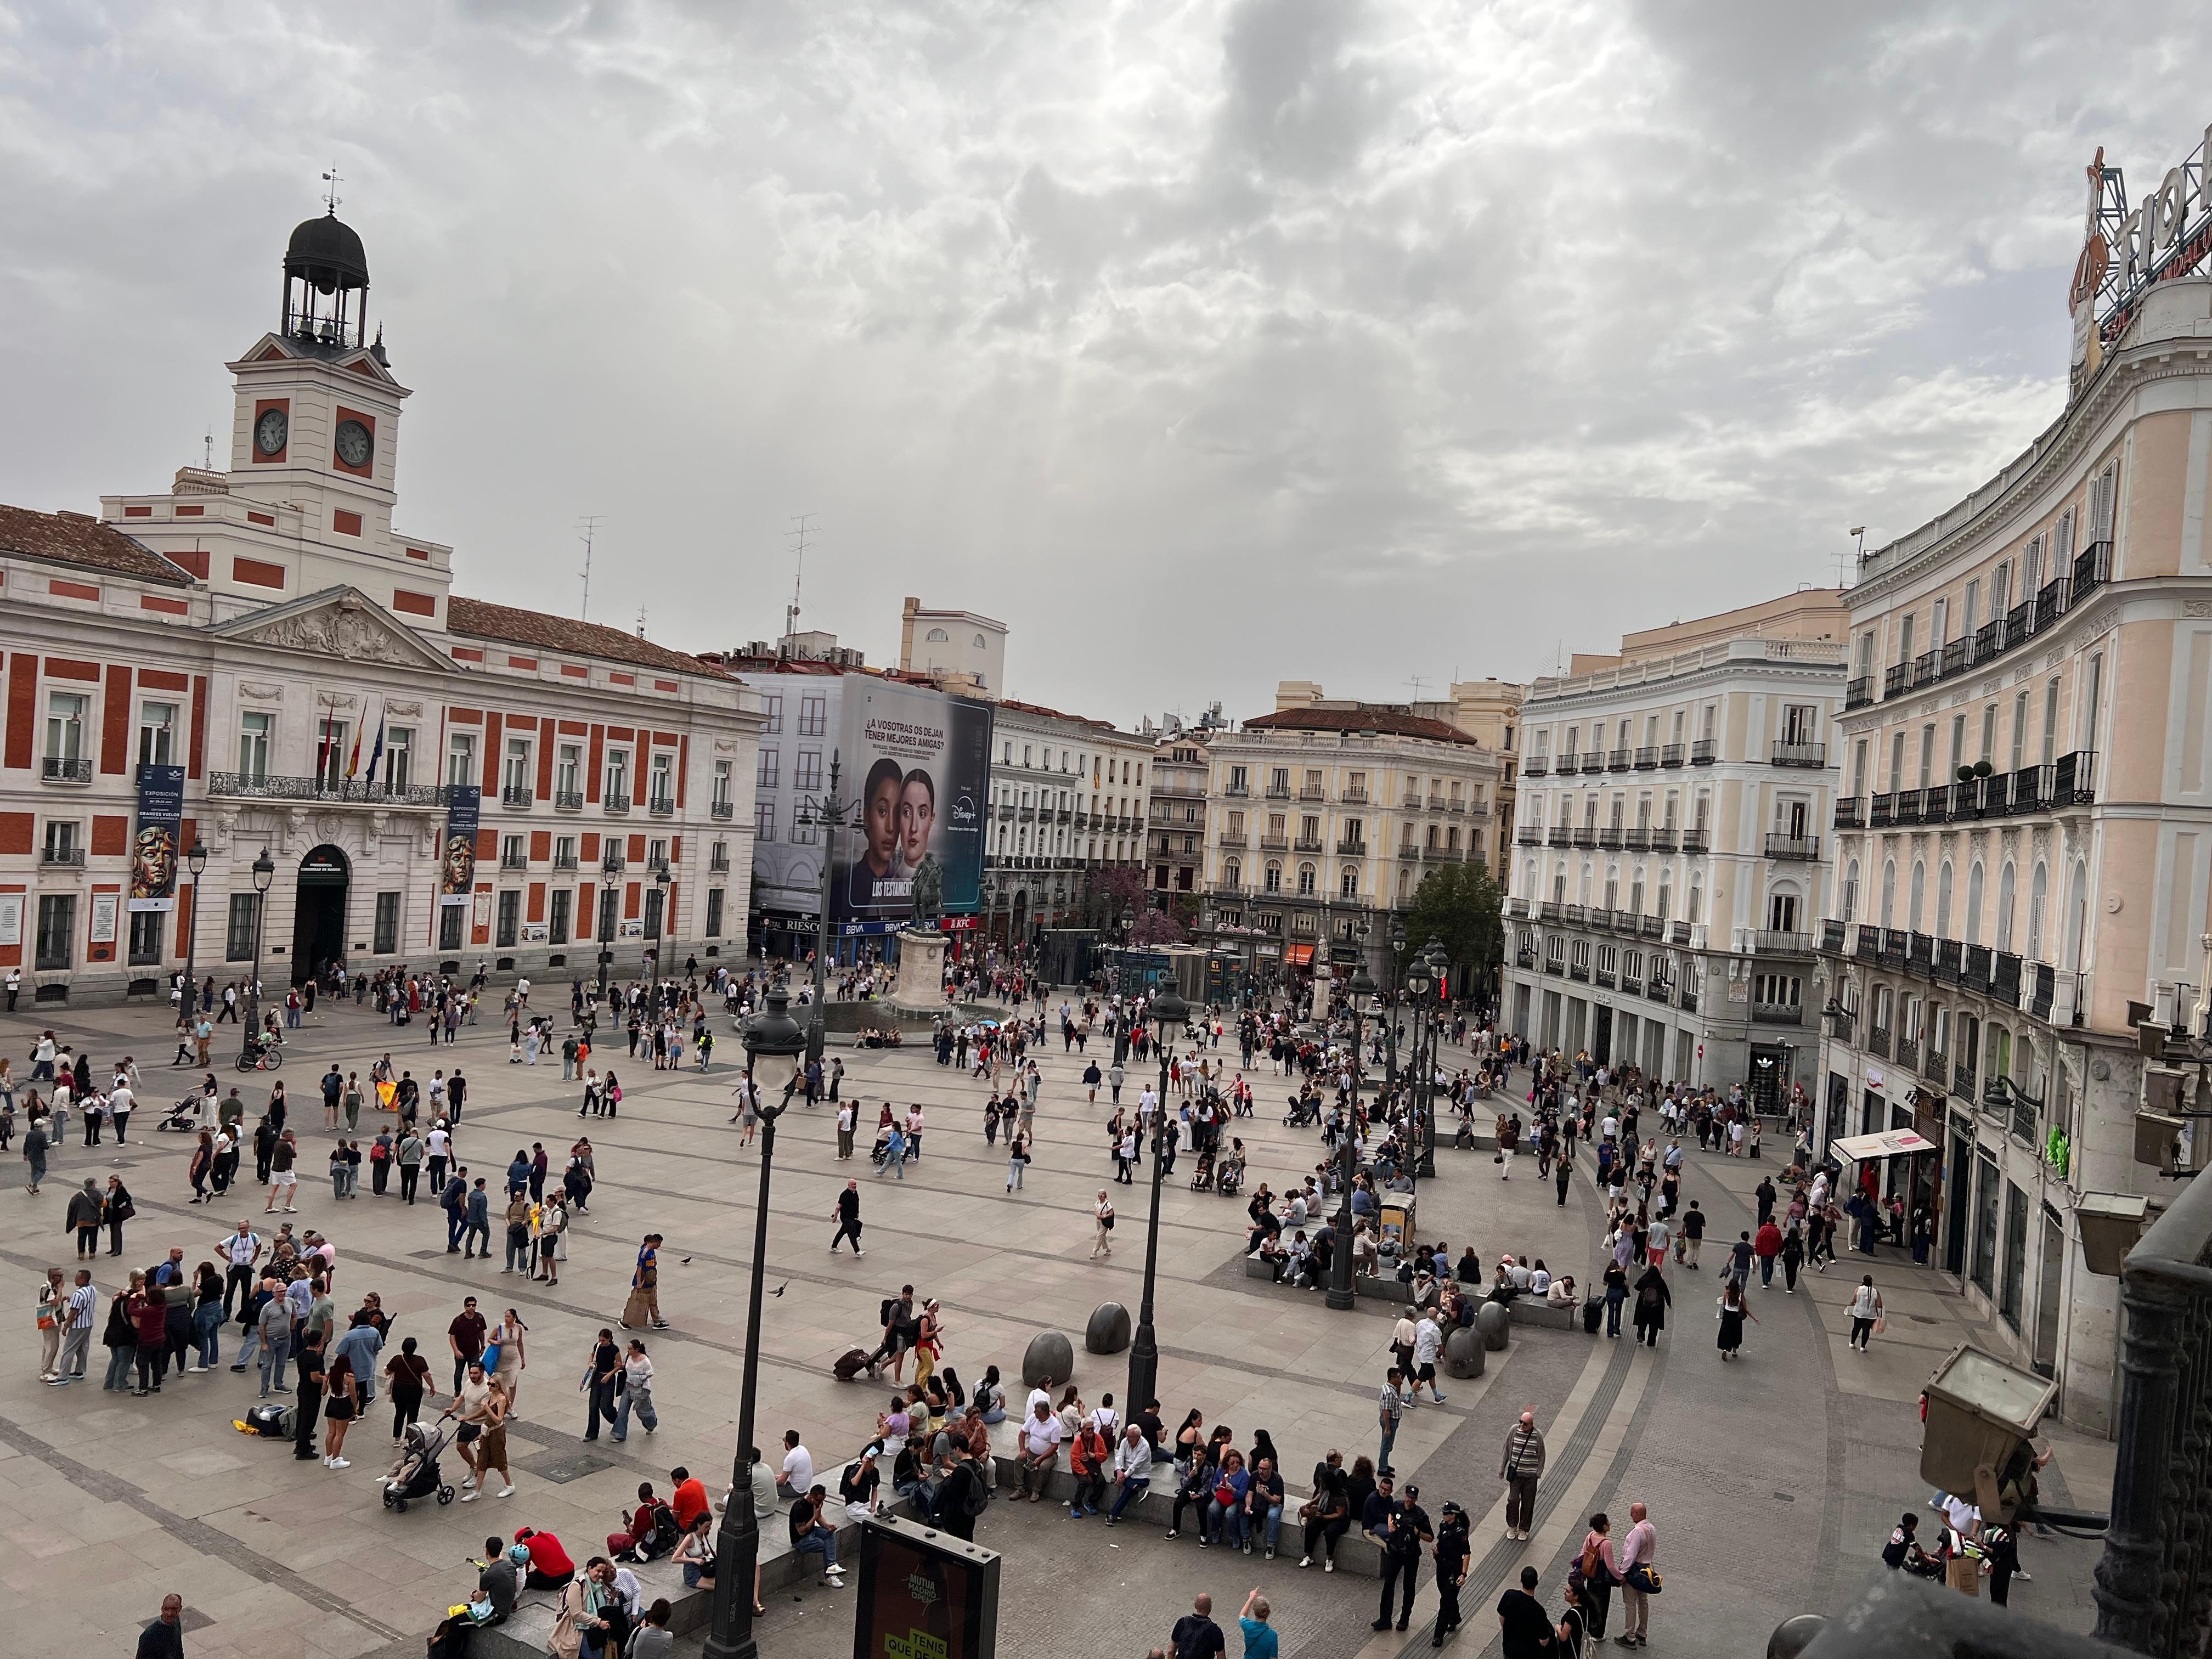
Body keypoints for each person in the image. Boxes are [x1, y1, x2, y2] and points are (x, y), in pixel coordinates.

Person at [1374, 1479, 1431, 1633]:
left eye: (1413, 1498)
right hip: (1395, 1551)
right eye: (1408, 1497)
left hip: (1411, 1555)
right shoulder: (1398, 1505)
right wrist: (1390, 1523)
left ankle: (1404, 1618)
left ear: (1416, 1499)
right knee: (1388, 1584)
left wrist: (1417, 1532)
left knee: (1409, 1586)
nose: (1410, 1500)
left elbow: (1430, 1537)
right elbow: (1391, 1515)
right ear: (1405, 1496)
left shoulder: (1421, 1515)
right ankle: (1384, 1619)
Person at [1501, 1409, 1547, 1541]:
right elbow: (1506, 1449)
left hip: (1530, 1477)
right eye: (1521, 1422)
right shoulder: (1514, 1430)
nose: (1522, 1425)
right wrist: (1502, 1468)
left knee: (1528, 1503)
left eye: (1525, 1423)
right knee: (1513, 1500)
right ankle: (1512, 1525)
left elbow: (1542, 1454)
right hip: (1516, 1474)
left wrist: (1538, 1473)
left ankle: (1524, 1529)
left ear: (1531, 1424)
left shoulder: (1537, 1436)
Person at [1615, 1501, 1656, 1647]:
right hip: (1646, 1571)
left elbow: (1630, 1556)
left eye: (1632, 1513)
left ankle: (1630, 1636)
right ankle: (1642, 1633)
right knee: (1643, 1602)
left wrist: (1622, 1573)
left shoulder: (1638, 1532)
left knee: (1631, 1603)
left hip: (1634, 1572)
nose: (1630, 1515)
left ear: (1638, 1515)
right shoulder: (1651, 1528)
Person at [1432, 1500, 1472, 1647]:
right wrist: (1436, 1550)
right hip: (1441, 1567)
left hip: (1453, 1570)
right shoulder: (1443, 1525)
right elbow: (1440, 1542)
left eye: (1446, 1513)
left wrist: (1463, 1574)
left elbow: (1467, 1554)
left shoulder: (1460, 1532)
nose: (1443, 1514)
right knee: (1447, 1597)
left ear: (1453, 1516)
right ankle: (1455, 1617)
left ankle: (1438, 1634)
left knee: (1445, 1602)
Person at [1498, 1563, 1555, 1658]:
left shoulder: (1509, 1595)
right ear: (1536, 1583)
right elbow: (1544, 1641)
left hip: (1509, 1650)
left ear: (1521, 1581)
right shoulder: (1538, 1611)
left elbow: (1501, 1617)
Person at [1170, 1593, 1225, 1659]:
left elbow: (1171, 1651)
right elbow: (1221, 1657)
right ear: (1210, 1609)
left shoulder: (1182, 1622)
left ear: (1195, 1606)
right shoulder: (1215, 1631)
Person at [1718, 1278, 1758, 1360]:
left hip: (1727, 1316)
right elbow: (1745, 1308)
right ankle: (1734, 1351)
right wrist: (1754, 1318)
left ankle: (1725, 1350)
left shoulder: (1727, 1293)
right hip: (1736, 1317)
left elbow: (1724, 1303)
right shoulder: (1740, 1295)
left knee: (1726, 1332)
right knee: (1736, 1333)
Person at [136, 1594, 187, 1659]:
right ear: (162, 1609)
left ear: (180, 1608)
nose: (169, 1613)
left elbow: (179, 1649)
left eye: (174, 1609)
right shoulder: (150, 1634)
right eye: (166, 1609)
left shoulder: (176, 1621)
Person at [1237, 1589, 1277, 1659]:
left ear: (1254, 1610)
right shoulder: (1272, 1635)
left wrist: (1251, 1598)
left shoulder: (1247, 1626)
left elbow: (1242, 1615)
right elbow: (1273, 1658)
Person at [1848, 1275, 1884, 1351]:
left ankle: (1852, 1343)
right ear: (1871, 1282)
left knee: (1856, 1328)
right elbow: (1879, 1305)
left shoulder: (1859, 1289)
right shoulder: (1875, 1291)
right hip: (1870, 1315)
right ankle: (1863, 1347)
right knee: (1866, 1330)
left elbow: (1853, 1300)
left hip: (1859, 1313)